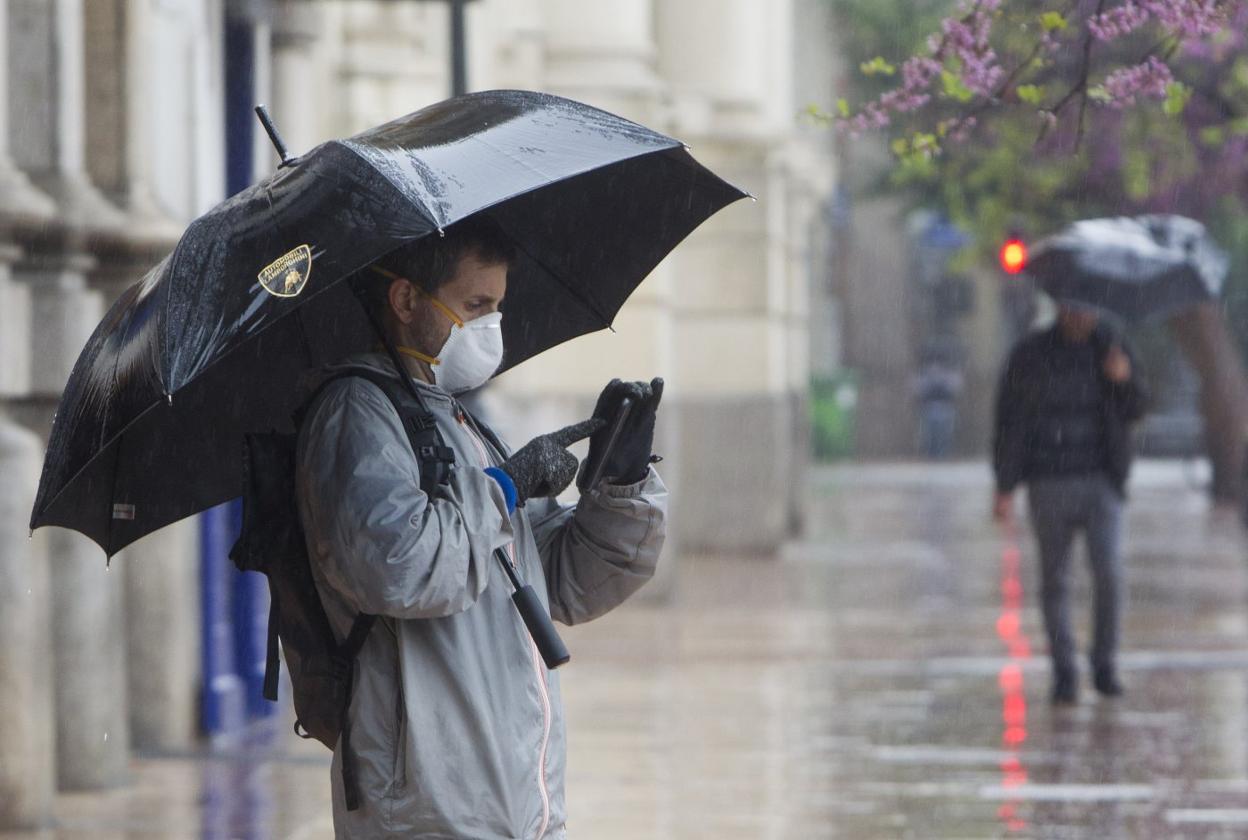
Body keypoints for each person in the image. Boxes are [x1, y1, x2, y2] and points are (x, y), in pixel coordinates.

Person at [295, 215, 668, 838]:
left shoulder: (456, 419)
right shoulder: (357, 413)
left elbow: (560, 584)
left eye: (498, 304)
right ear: (407, 299)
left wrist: (618, 487)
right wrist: (505, 486)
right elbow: (399, 567)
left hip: (514, 798)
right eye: (476, 304)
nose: (492, 323)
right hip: (430, 805)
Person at [992, 303, 1148, 705]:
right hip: (1048, 481)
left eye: (1090, 309)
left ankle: (1104, 665)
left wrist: (1123, 380)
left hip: (1102, 482)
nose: (1083, 317)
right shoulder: (1030, 354)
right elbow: (1009, 420)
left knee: (1109, 574)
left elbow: (1138, 408)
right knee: (1054, 580)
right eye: (1074, 308)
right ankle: (1064, 672)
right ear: (1061, 308)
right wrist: (1005, 485)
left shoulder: (1113, 347)